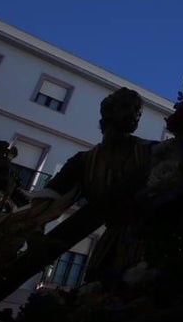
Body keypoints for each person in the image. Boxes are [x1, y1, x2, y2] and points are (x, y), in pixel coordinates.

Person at [21, 87, 158, 281]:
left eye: (138, 111)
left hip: (150, 247)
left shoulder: (151, 151)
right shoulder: (83, 162)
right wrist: (35, 236)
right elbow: (47, 199)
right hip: (109, 252)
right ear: (109, 110)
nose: (134, 114)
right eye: (126, 106)